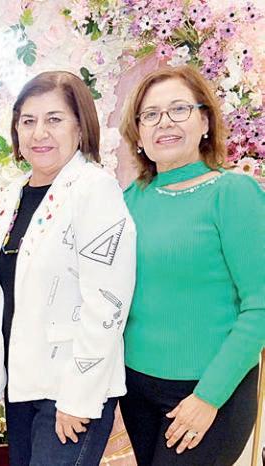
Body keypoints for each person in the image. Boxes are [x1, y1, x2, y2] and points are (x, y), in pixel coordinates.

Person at [0, 71, 136, 466]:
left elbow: (108, 301)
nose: (39, 133)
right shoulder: (14, 195)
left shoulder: (94, 189)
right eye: (28, 121)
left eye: (54, 119)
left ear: (80, 127)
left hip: (69, 391)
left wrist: (78, 398)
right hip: (23, 385)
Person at [118, 65, 265, 466]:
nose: (164, 122)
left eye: (179, 109)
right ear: (138, 134)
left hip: (210, 395)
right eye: (151, 114)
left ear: (205, 121)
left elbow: (260, 306)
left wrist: (207, 397)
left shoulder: (234, 193)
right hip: (138, 392)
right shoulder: (130, 199)